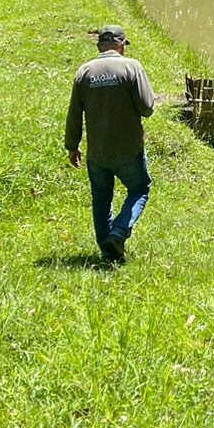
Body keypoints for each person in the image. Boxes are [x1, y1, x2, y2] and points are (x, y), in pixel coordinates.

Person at [65, 26, 156, 263]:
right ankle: (118, 233)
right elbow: (147, 108)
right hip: (129, 149)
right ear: (122, 45)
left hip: (97, 152)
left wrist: (72, 146)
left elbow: (74, 113)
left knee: (101, 198)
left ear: (99, 46)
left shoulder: (84, 71)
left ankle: (108, 251)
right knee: (140, 189)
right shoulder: (131, 67)